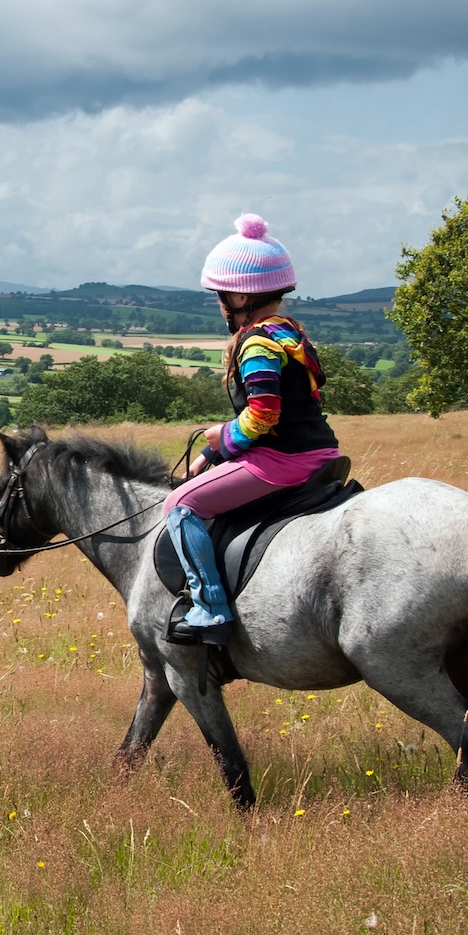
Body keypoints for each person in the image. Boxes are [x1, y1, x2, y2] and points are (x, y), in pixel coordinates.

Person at [163, 214, 340, 645]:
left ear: (240, 295)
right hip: (318, 453)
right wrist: (213, 455)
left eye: (221, 296)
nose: (220, 304)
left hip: (282, 462)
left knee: (180, 504)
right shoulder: (289, 333)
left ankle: (210, 609)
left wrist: (219, 435)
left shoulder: (258, 342)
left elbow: (262, 416)